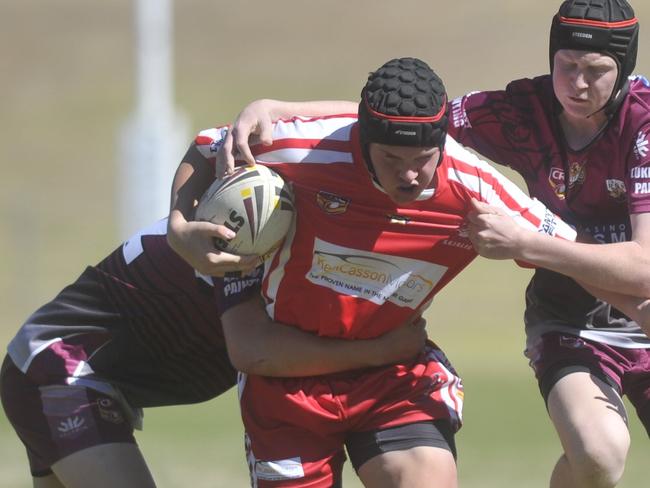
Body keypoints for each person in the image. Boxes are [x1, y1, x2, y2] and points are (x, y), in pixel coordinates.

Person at [219, 2, 650, 487]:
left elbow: (643, 269)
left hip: (634, 303)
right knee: (599, 455)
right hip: (573, 317)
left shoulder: (643, 125)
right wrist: (284, 111)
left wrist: (523, 242)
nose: (577, 83)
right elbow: (405, 117)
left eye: (596, 71)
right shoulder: (520, 111)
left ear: (625, 68)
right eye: (566, 66)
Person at [168, 56, 583, 488]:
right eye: (391, 157)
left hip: (394, 378)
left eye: (423, 158)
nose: (408, 174)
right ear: (362, 140)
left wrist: (630, 294)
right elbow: (208, 145)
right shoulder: (307, 148)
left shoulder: (474, 186)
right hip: (287, 382)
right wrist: (179, 227)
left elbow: (574, 253)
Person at [0, 200, 428, 484]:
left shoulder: (266, 223)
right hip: (59, 368)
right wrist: (379, 351)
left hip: (66, 373)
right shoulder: (243, 245)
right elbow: (258, 351)